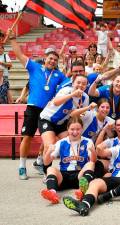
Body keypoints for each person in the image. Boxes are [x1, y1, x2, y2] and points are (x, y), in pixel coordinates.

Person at [8, 29, 67, 180]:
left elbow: (71, 83)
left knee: (48, 138)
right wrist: (13, 39)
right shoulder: (35, 68)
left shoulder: (59, 76)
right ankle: (22, 166)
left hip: (47, 111)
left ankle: (40, 161)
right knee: (26, 137)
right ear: (45, 58)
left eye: (55, 60)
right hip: (33, 107)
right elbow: (20, 55)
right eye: (50, 58)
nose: (52, 61)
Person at [62, 126, 120, 216]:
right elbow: (102, 153)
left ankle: (109, 195)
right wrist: (98, 148)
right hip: (114, 178)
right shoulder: (118, 149)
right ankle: (84, 205)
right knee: (95, 183)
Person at [41, 117, 96, 204]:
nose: (75, 132)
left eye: (78, 129)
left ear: (82, 129)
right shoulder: (61, 142)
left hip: (80, 176)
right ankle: (52, 193)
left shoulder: (88, 141)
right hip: (64, 176)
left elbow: (93, 160)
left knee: (90, 164)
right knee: (50, 169)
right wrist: (49, 152)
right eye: (72, 129)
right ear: (68, 129)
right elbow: (46, 162)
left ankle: (82, 191)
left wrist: (93, 152)